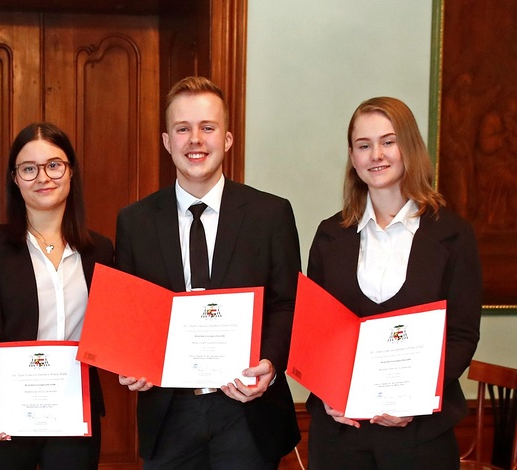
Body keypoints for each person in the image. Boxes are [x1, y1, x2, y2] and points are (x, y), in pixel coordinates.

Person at [115, 76, 301, 469]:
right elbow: (129, 314)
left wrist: (270, 364)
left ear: (227, 139)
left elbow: (287, 304)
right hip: (169, 415)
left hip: (248, 413)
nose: (195, 140)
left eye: (208, 128)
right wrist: (130, 360)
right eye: (182, 129)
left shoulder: (271, 215)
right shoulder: (135, 222)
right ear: (167, 141)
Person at [305, 97, 481, 469]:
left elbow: (462, 335)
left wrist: (415, 398)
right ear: (352, 157)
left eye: (388, 141)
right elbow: (316, 332)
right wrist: (326, 391)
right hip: (340, 434)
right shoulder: (329, 235)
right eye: (363, 145)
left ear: (409, 147)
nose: (376, 155)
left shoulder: (454, 236)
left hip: (421, 437)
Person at [0, 122, 113, 469]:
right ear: (15, 179)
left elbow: (113, 331)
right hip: (6, 414)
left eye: (54, 165)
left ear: (70, 171)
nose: (43, 177)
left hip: (74, 412)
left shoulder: (100, 251)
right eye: (29, 169)